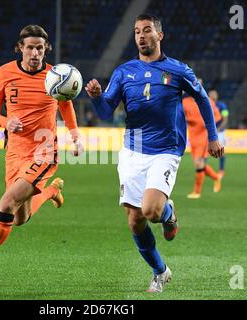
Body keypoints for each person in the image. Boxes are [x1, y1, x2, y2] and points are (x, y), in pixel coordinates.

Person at [85, 14, 224, 293]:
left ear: (159, 35)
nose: (141, 35)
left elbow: (202, 100)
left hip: (166, 150)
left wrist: (212, 136)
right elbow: (104, 112)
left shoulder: (178, 70)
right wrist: (97, 97)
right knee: (135, 221)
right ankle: (160, 271)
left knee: (151, 210)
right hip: (132, 151)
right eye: (137, 31)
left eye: (147, 30)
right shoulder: (124, 72)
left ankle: (168, 213)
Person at [0, 25, 83, 285]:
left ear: (46, 49)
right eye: (30, 47)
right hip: (14, 152)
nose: (35, 53)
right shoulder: (4, 73)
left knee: (6, 204)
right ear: (20, 48)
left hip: (44, 151)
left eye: (40, 48)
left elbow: (66, 106)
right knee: (20, 218)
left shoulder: (55, 76)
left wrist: (75, 136)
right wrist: (5, 122)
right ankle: (51, 192)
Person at [183, 82, 222, 199]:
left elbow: (217, 116)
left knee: (199, 163)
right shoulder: (185, 102)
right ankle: (216, 177)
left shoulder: (207, 100)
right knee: (200, 164)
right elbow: (180, 115)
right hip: (193, 136)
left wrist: (209, 125)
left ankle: (197, 192)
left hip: (203, 136)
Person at [209, 90, 229, 178]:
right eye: (211, 94)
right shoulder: (207, 104)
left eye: (214, 94)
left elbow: (225, 118)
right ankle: (203, 169)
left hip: (219, 132)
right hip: (208, 132)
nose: (213, 95)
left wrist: (218, 129)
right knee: (205, 151)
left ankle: (221, 170)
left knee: (221, 151)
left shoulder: (222, 106)